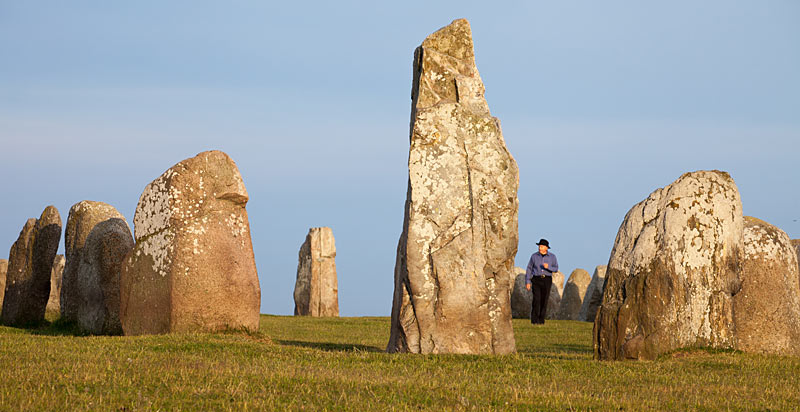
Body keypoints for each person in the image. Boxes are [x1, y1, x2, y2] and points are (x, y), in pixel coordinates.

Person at [525, 238, 559, 324]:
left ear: (546, 248)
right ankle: (534, 320)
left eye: (542, 246)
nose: (540, 248)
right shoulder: (534, 256)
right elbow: (529, 268)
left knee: (544, 300)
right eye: (539, 246)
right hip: (536, 279)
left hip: (547, 280)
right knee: (536, 299)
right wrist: (528, 282)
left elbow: (556, 268)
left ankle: (541, 321)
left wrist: (548, 267)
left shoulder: (552, 257)